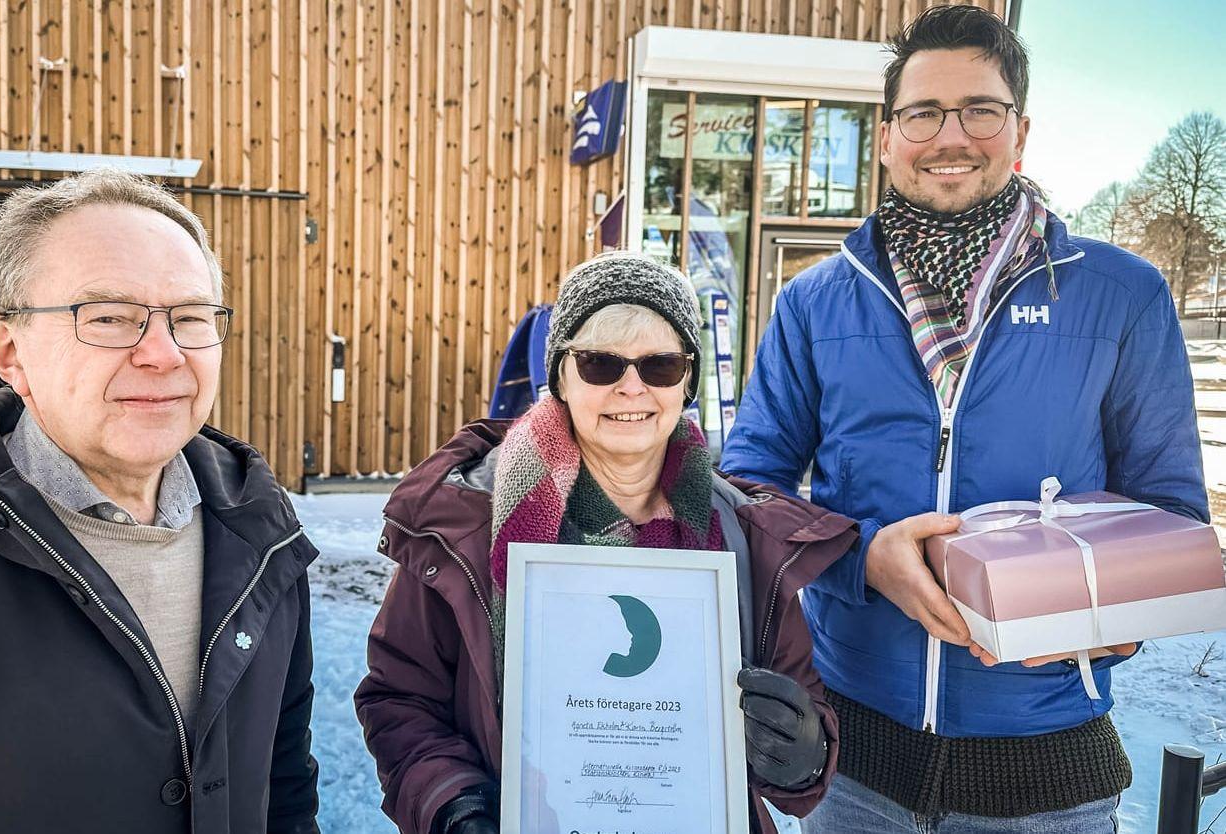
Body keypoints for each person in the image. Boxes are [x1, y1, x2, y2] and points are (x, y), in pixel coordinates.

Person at [722, 6, 1208, 832]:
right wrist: (862, 559)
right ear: (885, 137)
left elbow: (1172, 516)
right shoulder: (813, 302)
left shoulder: (1120, 294)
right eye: (922, 112)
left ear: (1019, 132)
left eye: (980, 109)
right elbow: (746, 490)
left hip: (1048, 771)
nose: (951, 134)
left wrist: (1100, 618)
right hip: (852, 768)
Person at [354, 252, 859, 834]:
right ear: (561, 377)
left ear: (687, 380)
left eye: (660, 366)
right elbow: (399, 698)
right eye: (599, 364)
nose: (631, 387)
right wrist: (454, 803)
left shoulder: (743, 536)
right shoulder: (466, 522)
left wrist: (799, 752)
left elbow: (801, 719)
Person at [0, 169, 321, 833]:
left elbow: (284, 791)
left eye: (189, 317)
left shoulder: (259, 535)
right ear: (9, 349)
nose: (163, 353)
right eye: (109, 318)